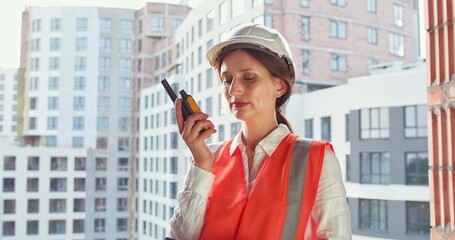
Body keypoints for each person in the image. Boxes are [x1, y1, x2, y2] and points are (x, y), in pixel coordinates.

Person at [169, 23, 351, 239]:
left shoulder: (316, 159)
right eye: (227, 80)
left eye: (249, 77)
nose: (233, 89)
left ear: (279, 86)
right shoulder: (209, 159)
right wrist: (200, 164)